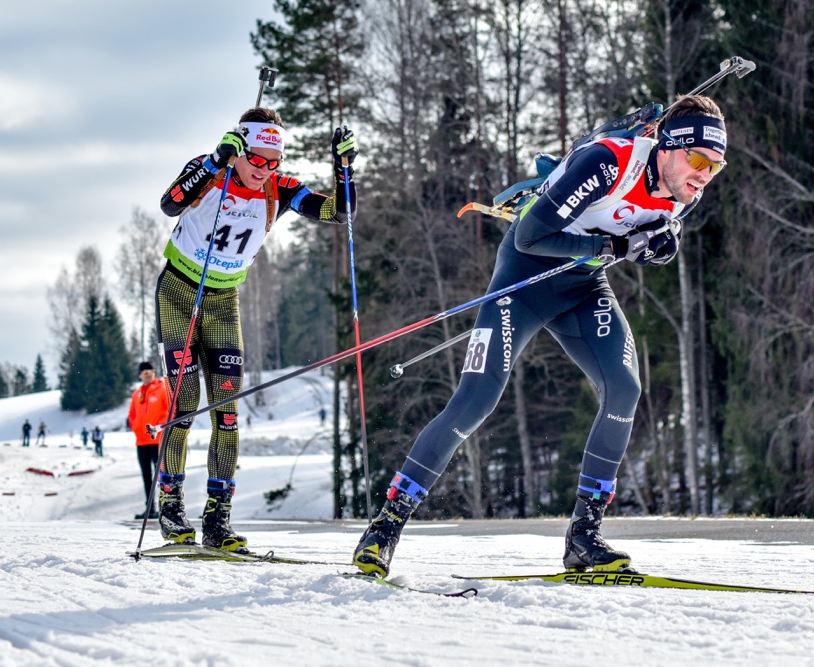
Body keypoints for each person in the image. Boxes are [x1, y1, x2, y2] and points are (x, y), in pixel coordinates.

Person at [353, 95, 728, 578]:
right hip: (523, 281)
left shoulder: (685, 192)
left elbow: (651, 241)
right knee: (475, 401)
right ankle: (384, 528)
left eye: (715, 168)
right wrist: (615, 245)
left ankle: (583, 537)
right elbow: (530, 236)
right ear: (667, 146)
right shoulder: (607, 162)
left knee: (625, 389)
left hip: (582, 288)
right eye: (698, 160)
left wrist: (658, 247)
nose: (704, 175)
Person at [155, 107, 358, 551]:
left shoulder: (279, 189)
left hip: (224, 301)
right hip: (179, 294)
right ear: (241, 148)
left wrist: (344, 171)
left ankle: (218, 520)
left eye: (274, 162)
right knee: (185, 405)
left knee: (227, 413)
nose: (264, 170)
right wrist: (213, 162)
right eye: (257, 159)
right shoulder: (210, 169)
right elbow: (170, 202)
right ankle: (170, 508)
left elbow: (339, 213)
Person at [128, 361, 169, 520]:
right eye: (144, 371)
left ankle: (165, 507)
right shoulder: (137, 394)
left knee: (161, 475)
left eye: (150, 370)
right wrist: (136, 428)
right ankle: (150, 508)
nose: (147, 373)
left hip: (156, 440)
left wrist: (158, 427)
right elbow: (132, 415)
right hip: (141, 442)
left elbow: (168, 412)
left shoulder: (161, 390)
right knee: (146, 475)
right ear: (139, 375)